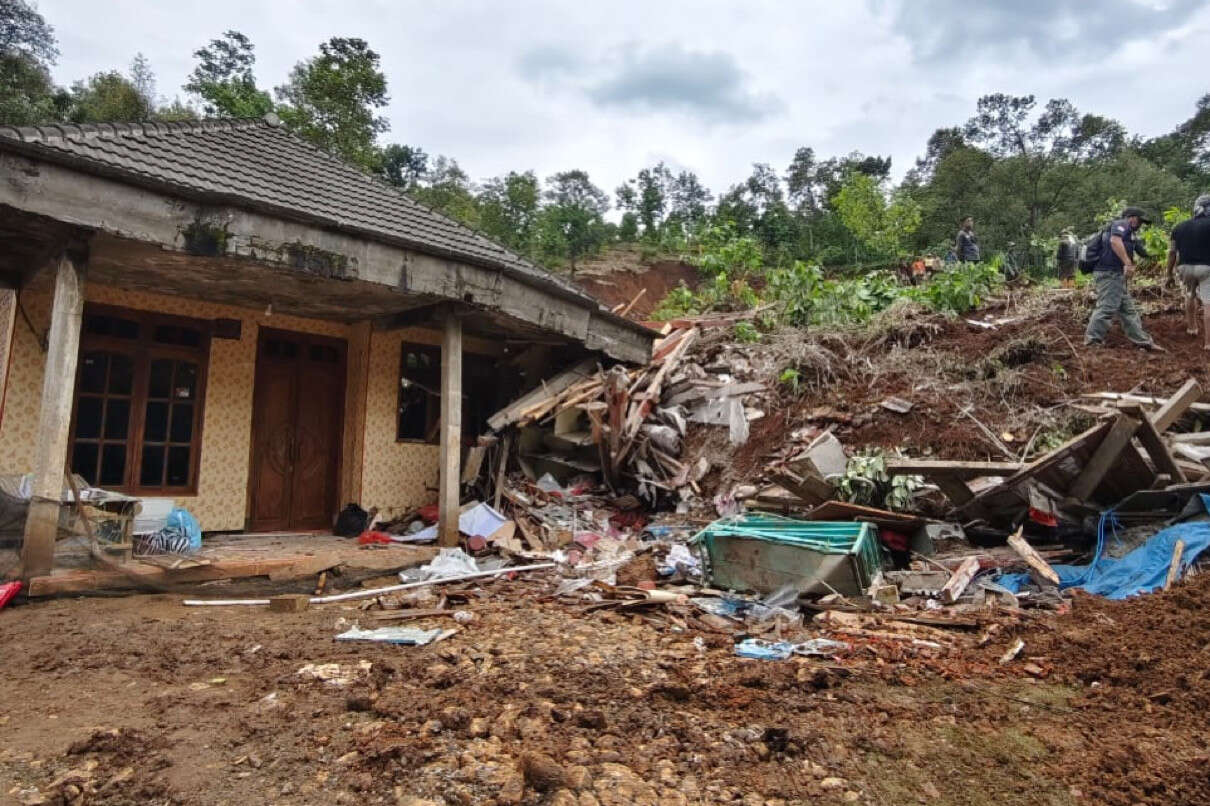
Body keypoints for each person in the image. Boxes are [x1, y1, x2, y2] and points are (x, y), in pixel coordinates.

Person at [1084, 206, 1163, 350]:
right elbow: (1114, 241)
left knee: (1128, 310)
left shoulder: (1131, 235)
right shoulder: (1121, 224)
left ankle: (1143, 342)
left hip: (1116, 275)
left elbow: (1142, 251)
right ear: (1131, 218)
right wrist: (1127, 263)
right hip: (1109, 273)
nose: (1140, 225)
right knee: (1107, 307)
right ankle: (1092, 342)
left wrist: (1159, 255)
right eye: (1140, 221)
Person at [1167, 193, 1210, 350]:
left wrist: (1169, 274)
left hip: (1185, 268)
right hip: (1206, 268)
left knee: (1190, 295)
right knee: (1208, 304)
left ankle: (1192, 328)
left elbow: (1172, 253)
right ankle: (1208, 343)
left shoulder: (1179, 227)